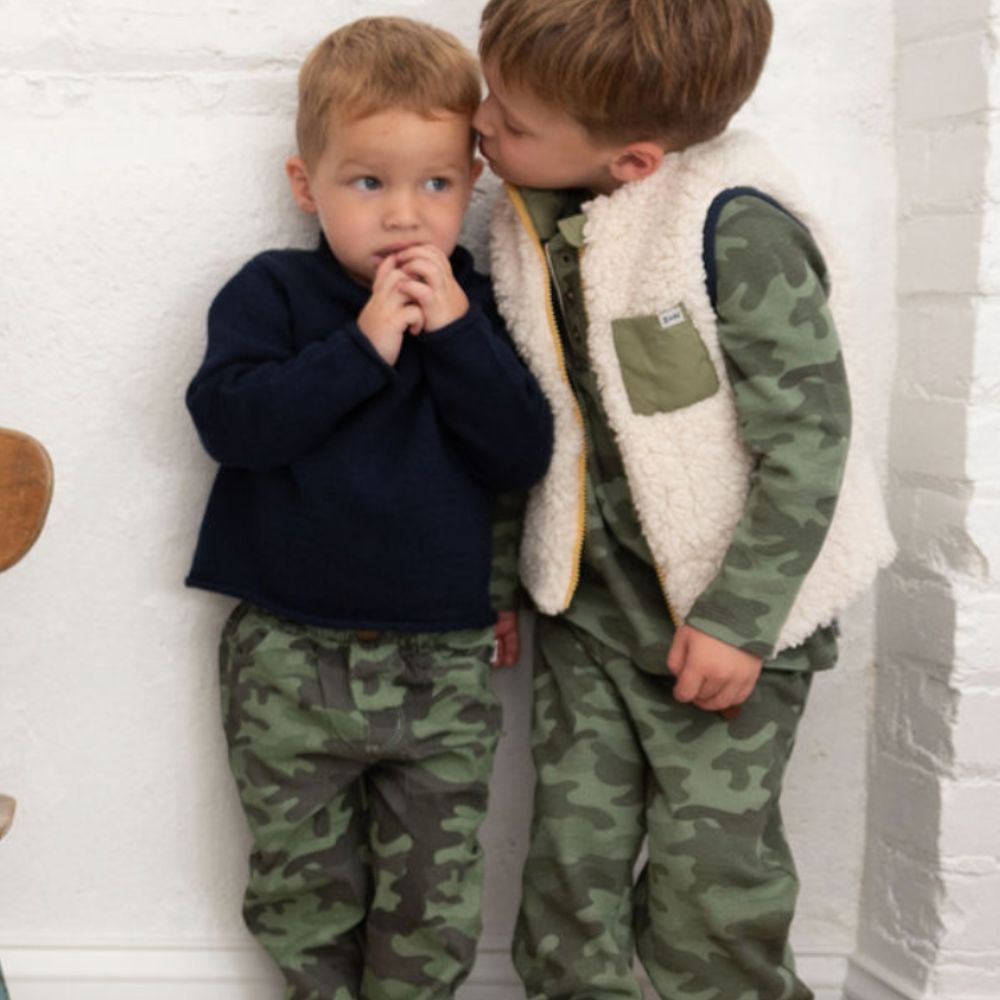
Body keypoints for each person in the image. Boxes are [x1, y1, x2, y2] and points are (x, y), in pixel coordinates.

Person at [473, 1, 895, 998]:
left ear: (633, 160)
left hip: (731, 620)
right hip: (588, 617)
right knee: (570, 871)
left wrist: (740, 623)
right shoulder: (525, 224)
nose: (481, 122)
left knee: (712, 889)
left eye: (514, 119)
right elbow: (523, 431)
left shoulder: (729, 228)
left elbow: (808, 442)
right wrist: (497, 577)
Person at [184, 16, 552, 1000]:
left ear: (472, 181)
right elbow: (232, 424)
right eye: (368, 182)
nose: (405, 215)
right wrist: (363, 346)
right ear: (307, 184)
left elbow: (520, 453)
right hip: (290, 653)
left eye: (435, 183)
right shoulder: (274, 294)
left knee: (432, 886)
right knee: (303, 878)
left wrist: (457, 337)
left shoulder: (478, 309)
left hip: (444, 663)